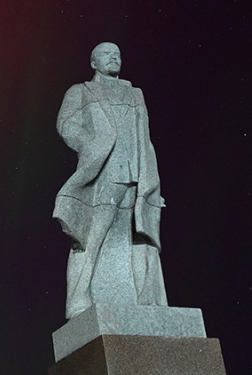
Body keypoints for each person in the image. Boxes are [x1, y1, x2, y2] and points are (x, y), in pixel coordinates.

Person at [54, 42, 167, 319]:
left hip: (137, 175)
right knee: (91, 237)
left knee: (141, 238)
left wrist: (152, 180)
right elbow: (66, 125)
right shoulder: (81, 91)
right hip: (105, 174)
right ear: (94, 63)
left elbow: (145, 138)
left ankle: (147, 301)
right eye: (106, 54)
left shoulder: (135, 93)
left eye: (117, 54)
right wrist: (91, 145)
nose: (114, 57)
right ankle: (78, 301)